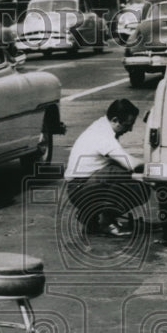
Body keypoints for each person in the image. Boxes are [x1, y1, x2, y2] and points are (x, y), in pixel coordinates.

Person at [64, 98, 149, 237]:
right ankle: (105, 221)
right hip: (79, 188)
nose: (130, 129)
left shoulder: (101, 124)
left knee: (119, 171)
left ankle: (92, 214)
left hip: (81, 185)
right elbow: (131, 164)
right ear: (115, 120)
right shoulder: (104, 136)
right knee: (137, 186)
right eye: (128, 125)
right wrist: (154, 168)